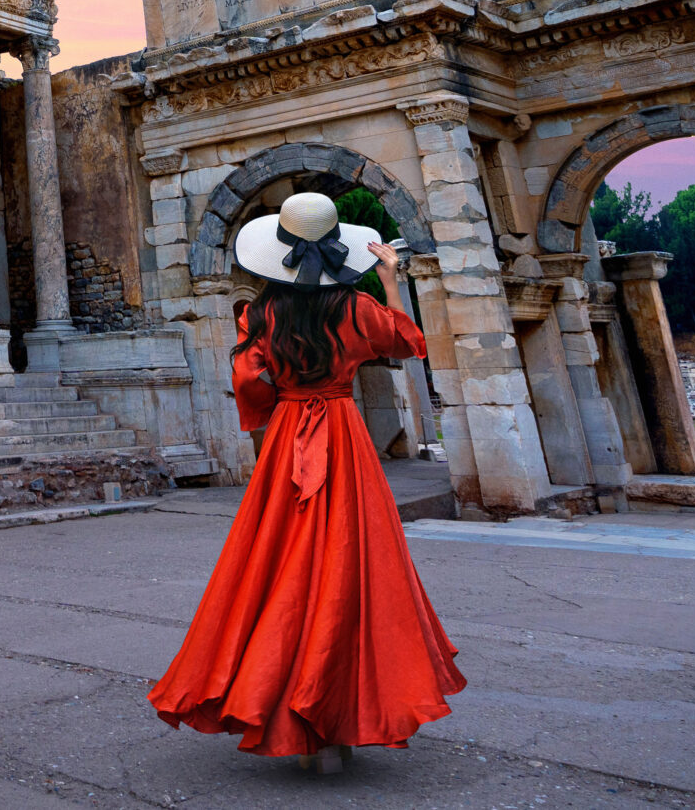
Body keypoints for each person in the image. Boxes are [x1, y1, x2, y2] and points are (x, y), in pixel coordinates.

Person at [148, 191, 464, 772]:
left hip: (291, 433)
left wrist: (276, 399)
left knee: (277, 562)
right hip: (343, 434)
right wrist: (391, 281)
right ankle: (342, 722)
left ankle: (291, 715)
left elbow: (249, 383)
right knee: (352, 561)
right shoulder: (354, 306)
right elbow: (406, 342)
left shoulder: (262, 313)